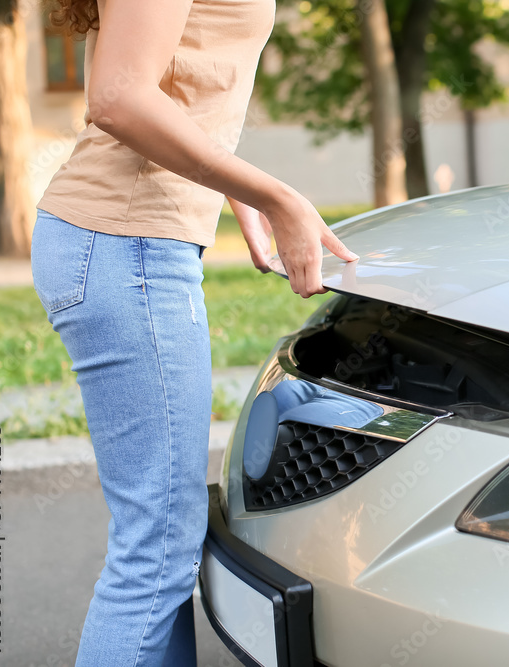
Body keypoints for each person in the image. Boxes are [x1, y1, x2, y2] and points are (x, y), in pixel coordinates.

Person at [31, 0, 356, 664]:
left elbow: (175, 78)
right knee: (156, 550)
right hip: (126, 244)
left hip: (129, 244)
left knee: (162, 544)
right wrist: (277, 195)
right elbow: (119, 97)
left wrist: (229, 189)